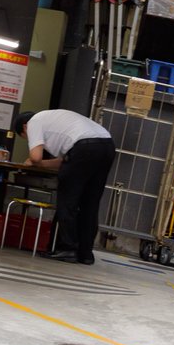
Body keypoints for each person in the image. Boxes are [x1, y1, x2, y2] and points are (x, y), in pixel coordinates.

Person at [14, 109, 115, 265]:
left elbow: (36, 156)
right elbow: (66, 160)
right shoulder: (54, 118)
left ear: (25, 128)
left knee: (68, 202)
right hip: (107, 145)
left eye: (26, 138)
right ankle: (85, 253)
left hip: (84, 148)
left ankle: (68, 249)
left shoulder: (34, 122)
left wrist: (33, 162)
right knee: (90, 204)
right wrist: (41, 164)